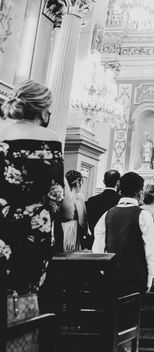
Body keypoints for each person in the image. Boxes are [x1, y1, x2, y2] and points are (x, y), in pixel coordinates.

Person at [0, 80, 64, 352]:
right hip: (31, 232)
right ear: (43, 109)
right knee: (22, 298)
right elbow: (56, 196)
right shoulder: (48, 139)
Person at [92, 172, 154, 294]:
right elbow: (150, 250)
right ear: (140, 192)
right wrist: (149, 279)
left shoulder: (107, 215)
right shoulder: (143, 215)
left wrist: (102, 271)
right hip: (136, 277)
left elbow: (98, 248)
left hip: (112, 275)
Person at [86, 170, 121, 237]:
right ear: (118, 182)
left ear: (104, 181)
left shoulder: (92, 200)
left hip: (96, 239)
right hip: (114, 241)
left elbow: (90, 222)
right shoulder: (121, 200)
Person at [61, 170, 88, 250]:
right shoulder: (78, 197)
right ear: (77, 182)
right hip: (73, 231)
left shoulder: (62, 195)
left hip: (61, 229)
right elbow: (82, 221)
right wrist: (85, 234)